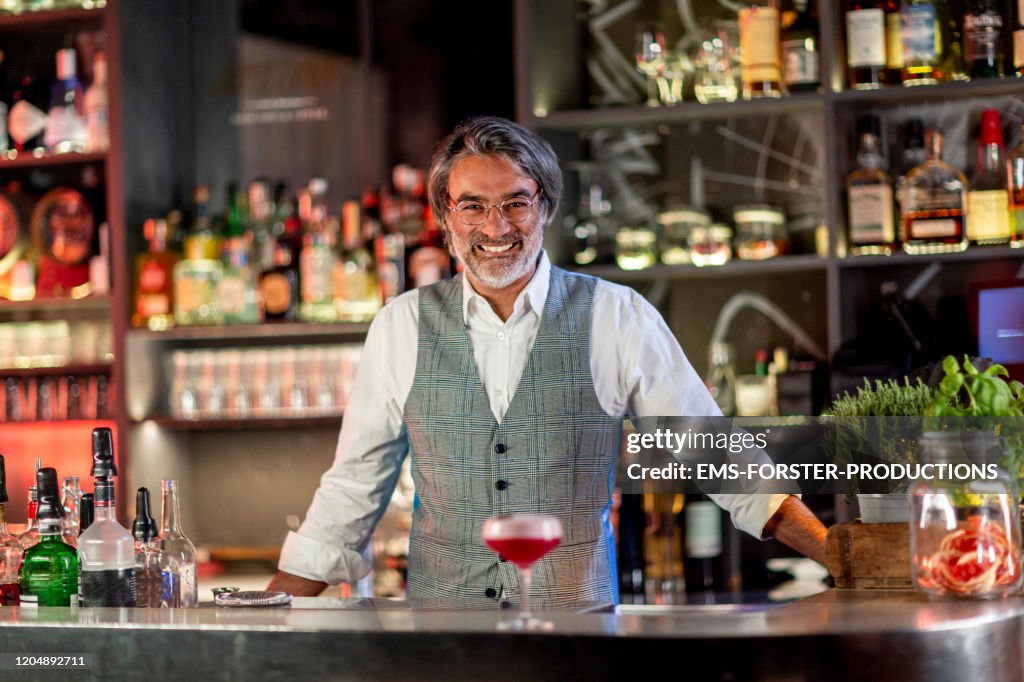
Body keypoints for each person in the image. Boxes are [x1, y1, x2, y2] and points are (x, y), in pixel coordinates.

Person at [268, 116, 827, 606]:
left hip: (577, 644)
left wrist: (835, 554)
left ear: (546, 206)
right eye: (473, 206)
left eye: (516, 202)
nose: (496, 227)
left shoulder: (615, 315)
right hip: (445, 645)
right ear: (446, 216)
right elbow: (353, 488)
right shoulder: (401, 324)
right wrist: (259, 616)